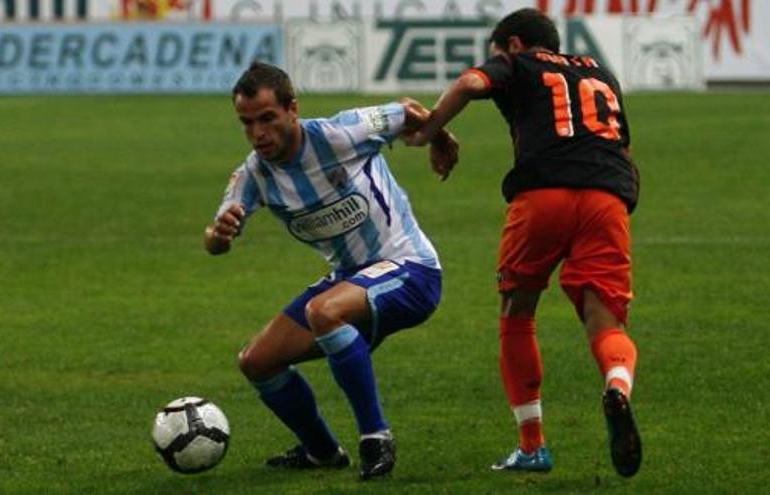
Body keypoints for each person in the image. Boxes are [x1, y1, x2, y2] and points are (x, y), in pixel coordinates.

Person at [404, 8, 642, 478]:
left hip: (543, 194)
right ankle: (617, 385)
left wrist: (429, 131)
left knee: (518, 313)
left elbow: (472, 85)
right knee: (605, 320)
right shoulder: (602, 73)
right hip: (607, 197)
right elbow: (625, 149)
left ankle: (533, 447)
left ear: (513, 45)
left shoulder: (518, 63)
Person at [204, 62, 458, 480]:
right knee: (256, 361)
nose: (258, 134)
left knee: (323, 312)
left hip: (411, 269)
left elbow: (407, 109)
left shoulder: (344, 132)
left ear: (292, 109)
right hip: (349, 279)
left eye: (267, 118)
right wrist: (219, 234)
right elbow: (214, 240)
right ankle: (321, 451)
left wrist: (440, 138)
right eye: (246, 123)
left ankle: (376, 438)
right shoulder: (253, 176)